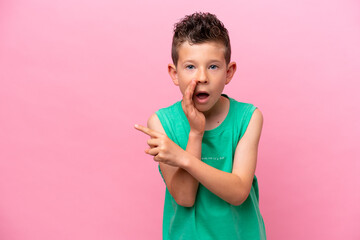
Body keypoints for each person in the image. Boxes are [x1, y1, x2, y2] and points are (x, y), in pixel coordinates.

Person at [135, 12, 266, 240]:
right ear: (174, 74)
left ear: (229, 72)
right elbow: (185, 197)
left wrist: (183, 158)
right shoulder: (161, 123)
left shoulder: (249, 118)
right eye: (190, 67)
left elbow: (238, 192)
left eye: (213, 67)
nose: (202, 77)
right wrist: (195, 133)